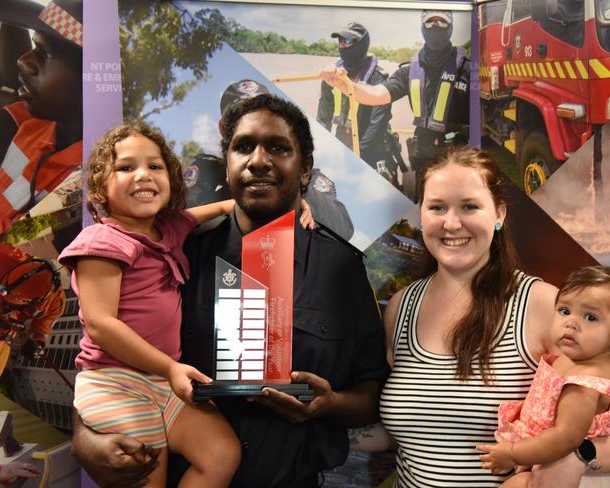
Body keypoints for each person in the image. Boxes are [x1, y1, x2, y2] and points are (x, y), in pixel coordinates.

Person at [70, 94, 389, 488]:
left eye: (278, 147)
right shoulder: (176, 254)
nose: (258, 160)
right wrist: (85, 441)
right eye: (243, 147)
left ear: (305, 170)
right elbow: (104, 356)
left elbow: (373, 394)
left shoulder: (341, 267)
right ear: (228, 164)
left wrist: (330, 405)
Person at [378, 145, 610, 487]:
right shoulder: (400, 308)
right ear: (421, 214)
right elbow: (417, 428)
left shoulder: (545, 305)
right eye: (437, 207)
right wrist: (323, 412)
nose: (451, 223)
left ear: (499, 213)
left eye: (470, 206)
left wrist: (580, 455)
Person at [58, 124, 242, 487]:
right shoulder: (101, 240)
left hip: (162, 382)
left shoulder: (169, 228)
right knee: (147, 478)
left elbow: (216, 208)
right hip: (114, 382)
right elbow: (100, 324)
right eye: (126, 167)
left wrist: (290, 206)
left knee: (222, 452)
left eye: (155, 166)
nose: (143, 174)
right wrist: (171, 368)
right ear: (100, 187)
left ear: (171, 178)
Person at [478, 266, 610, 487]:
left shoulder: (583, 387)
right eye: (564, 311)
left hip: (553, 466)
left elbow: (565, 438)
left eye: (590, 317)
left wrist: (513, 454)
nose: (570, 323)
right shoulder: (593, 357)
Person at [320, 10, 469, 202]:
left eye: (441, 22)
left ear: (451, 27)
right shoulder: (407, 72)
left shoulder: (469, 69)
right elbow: (377, 94)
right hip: (423, 154)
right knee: (426, 208)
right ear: (422, 26)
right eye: (430, 22)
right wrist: (343, 83)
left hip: (461, 156)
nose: (435, 26)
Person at [185, 78, 355, 240]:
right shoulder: (209, 171)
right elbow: (173, 225)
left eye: (263, 113)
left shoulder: (302, 172)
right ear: (224, 128)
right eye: (240, 116)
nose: (254, 122)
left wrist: (293, 192)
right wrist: (227, 206)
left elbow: (342, 227)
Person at [0, 0, 83, 243]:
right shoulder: (31, 123)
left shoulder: (84, 187)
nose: (23, 61)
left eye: (44, 53)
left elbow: (5, 252)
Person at [316, 22, 393, 181]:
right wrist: (319, 151)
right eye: (340, 41)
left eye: (348, 41)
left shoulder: (378, 77)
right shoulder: (331, 76)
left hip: (371, 147)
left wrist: (355, 160)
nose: (343, 45)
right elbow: (323, 119)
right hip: (341, 145)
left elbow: (377, 124)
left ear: (362, 44)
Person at [0, 241, 65, 387]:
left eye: (11, 303)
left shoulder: (55, 303)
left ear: (32, 304)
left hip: (4, 331)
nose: (7, 304)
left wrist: (38, 341)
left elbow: (44, 324)